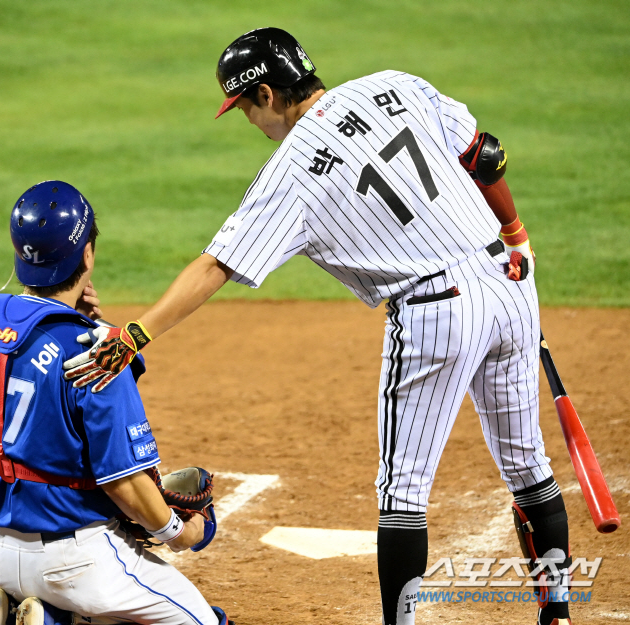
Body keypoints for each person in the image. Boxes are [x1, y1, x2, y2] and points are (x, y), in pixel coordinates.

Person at [63, 28, 572, 625]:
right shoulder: (394, 84)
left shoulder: (294, 169)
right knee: (528, 466)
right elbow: (483, 152)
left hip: (438, 311)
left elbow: (217, 264)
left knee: (402, 494)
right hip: (509, 276)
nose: (251, 122)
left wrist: (136, 333)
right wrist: (515, 233)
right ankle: (557, 613)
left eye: (247, 108)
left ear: (268, 94)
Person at [0, 181, 231, 625]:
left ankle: (46, 616)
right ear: (87, 255)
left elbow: (34, 363)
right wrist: (180, 533)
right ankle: (55, 618)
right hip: (78, 561)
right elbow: (123, 482)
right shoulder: (100, 353)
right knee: (203, 620)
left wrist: (83, 321)